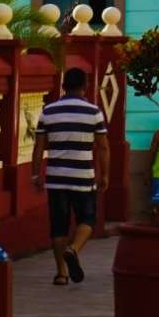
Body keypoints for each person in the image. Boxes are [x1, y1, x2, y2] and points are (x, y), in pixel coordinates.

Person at [31, 68, 108, 286]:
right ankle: (73, 249)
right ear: (85, 86)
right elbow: (103, 148)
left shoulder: (48, 111)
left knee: (58, 226)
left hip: (56, 177)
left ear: (64, 85)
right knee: (88, 219)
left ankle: (61, 274)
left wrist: (36, 174)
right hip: (83, 176)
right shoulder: (93, 112)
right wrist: (105, 175)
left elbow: (39, 146)